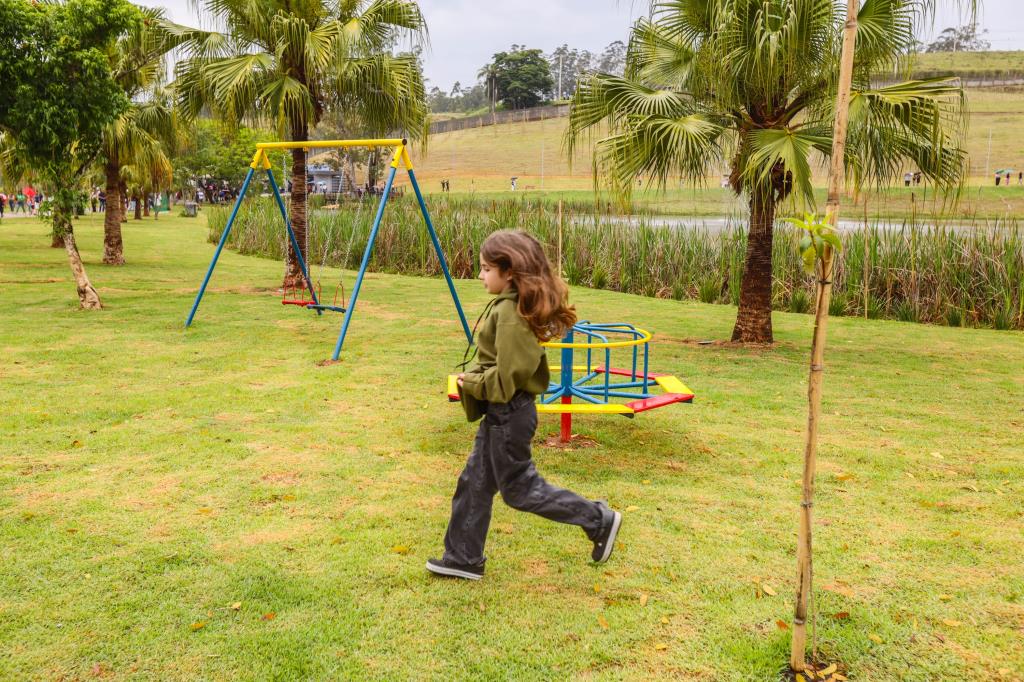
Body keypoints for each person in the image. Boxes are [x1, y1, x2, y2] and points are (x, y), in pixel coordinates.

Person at [427, 230, 622, 581]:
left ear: (510, 272)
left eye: (487, 269)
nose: (481, 275)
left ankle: (597, 519)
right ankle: (462, 558)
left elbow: (507, 379)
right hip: (503, 414)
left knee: (519, 490)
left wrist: (468, 382)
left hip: (509, 413)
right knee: (475, 481)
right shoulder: (509, 306)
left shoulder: (510, 314)